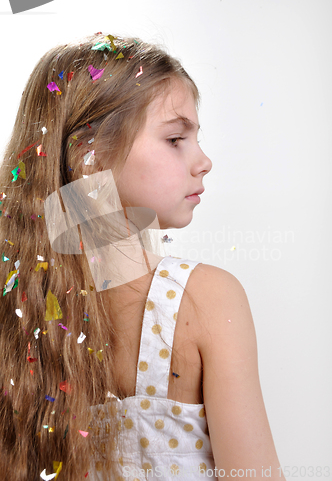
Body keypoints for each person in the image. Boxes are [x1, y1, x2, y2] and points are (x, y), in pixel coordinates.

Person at [0, 33, 286, 481]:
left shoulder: (15, 314)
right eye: (175, 139)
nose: (203, 160)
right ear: (90, 158)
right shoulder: (206, 300)